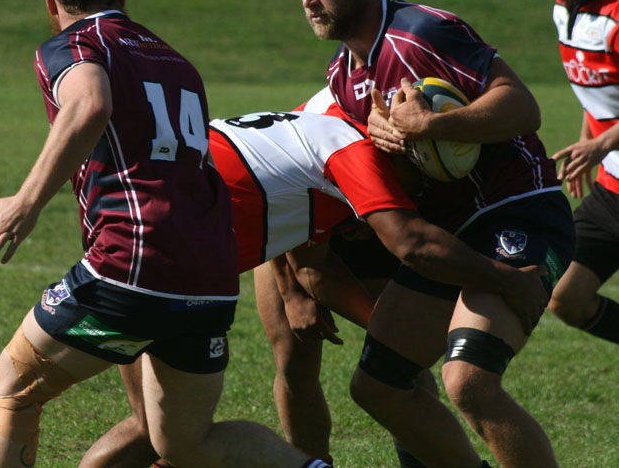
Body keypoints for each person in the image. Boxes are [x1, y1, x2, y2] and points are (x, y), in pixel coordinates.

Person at [0, 0, 322, 468]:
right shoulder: (175, 60)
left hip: (134, 263)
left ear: (49, 1)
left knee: (12, 386)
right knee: (184, 442)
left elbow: (89, 104)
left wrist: (27, 201)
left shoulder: (73, 45)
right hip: (209, 276)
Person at [81, 103, 551, 467]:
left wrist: (395, 340)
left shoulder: (374, 137)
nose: (426, 192)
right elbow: (299, 236)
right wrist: (293, 293)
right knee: (294, 365)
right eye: (424, 180)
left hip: (167, 244)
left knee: (395, 367)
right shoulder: (349, 142)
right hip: (243, 244)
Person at [293, 0, 574, 468]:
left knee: (469, 382)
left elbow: (522, 106)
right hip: (451, 235)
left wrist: (432, 126)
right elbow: (410, 174)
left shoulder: (421, 32)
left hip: (518, 210)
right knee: (377, 386)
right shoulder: (341, 76)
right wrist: (384, 143)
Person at [546, 0, 619, 346]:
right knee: (565, 296)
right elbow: (595, 88)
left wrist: (599, 145)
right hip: (613, 188)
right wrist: (585, 142)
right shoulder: (565, 5)